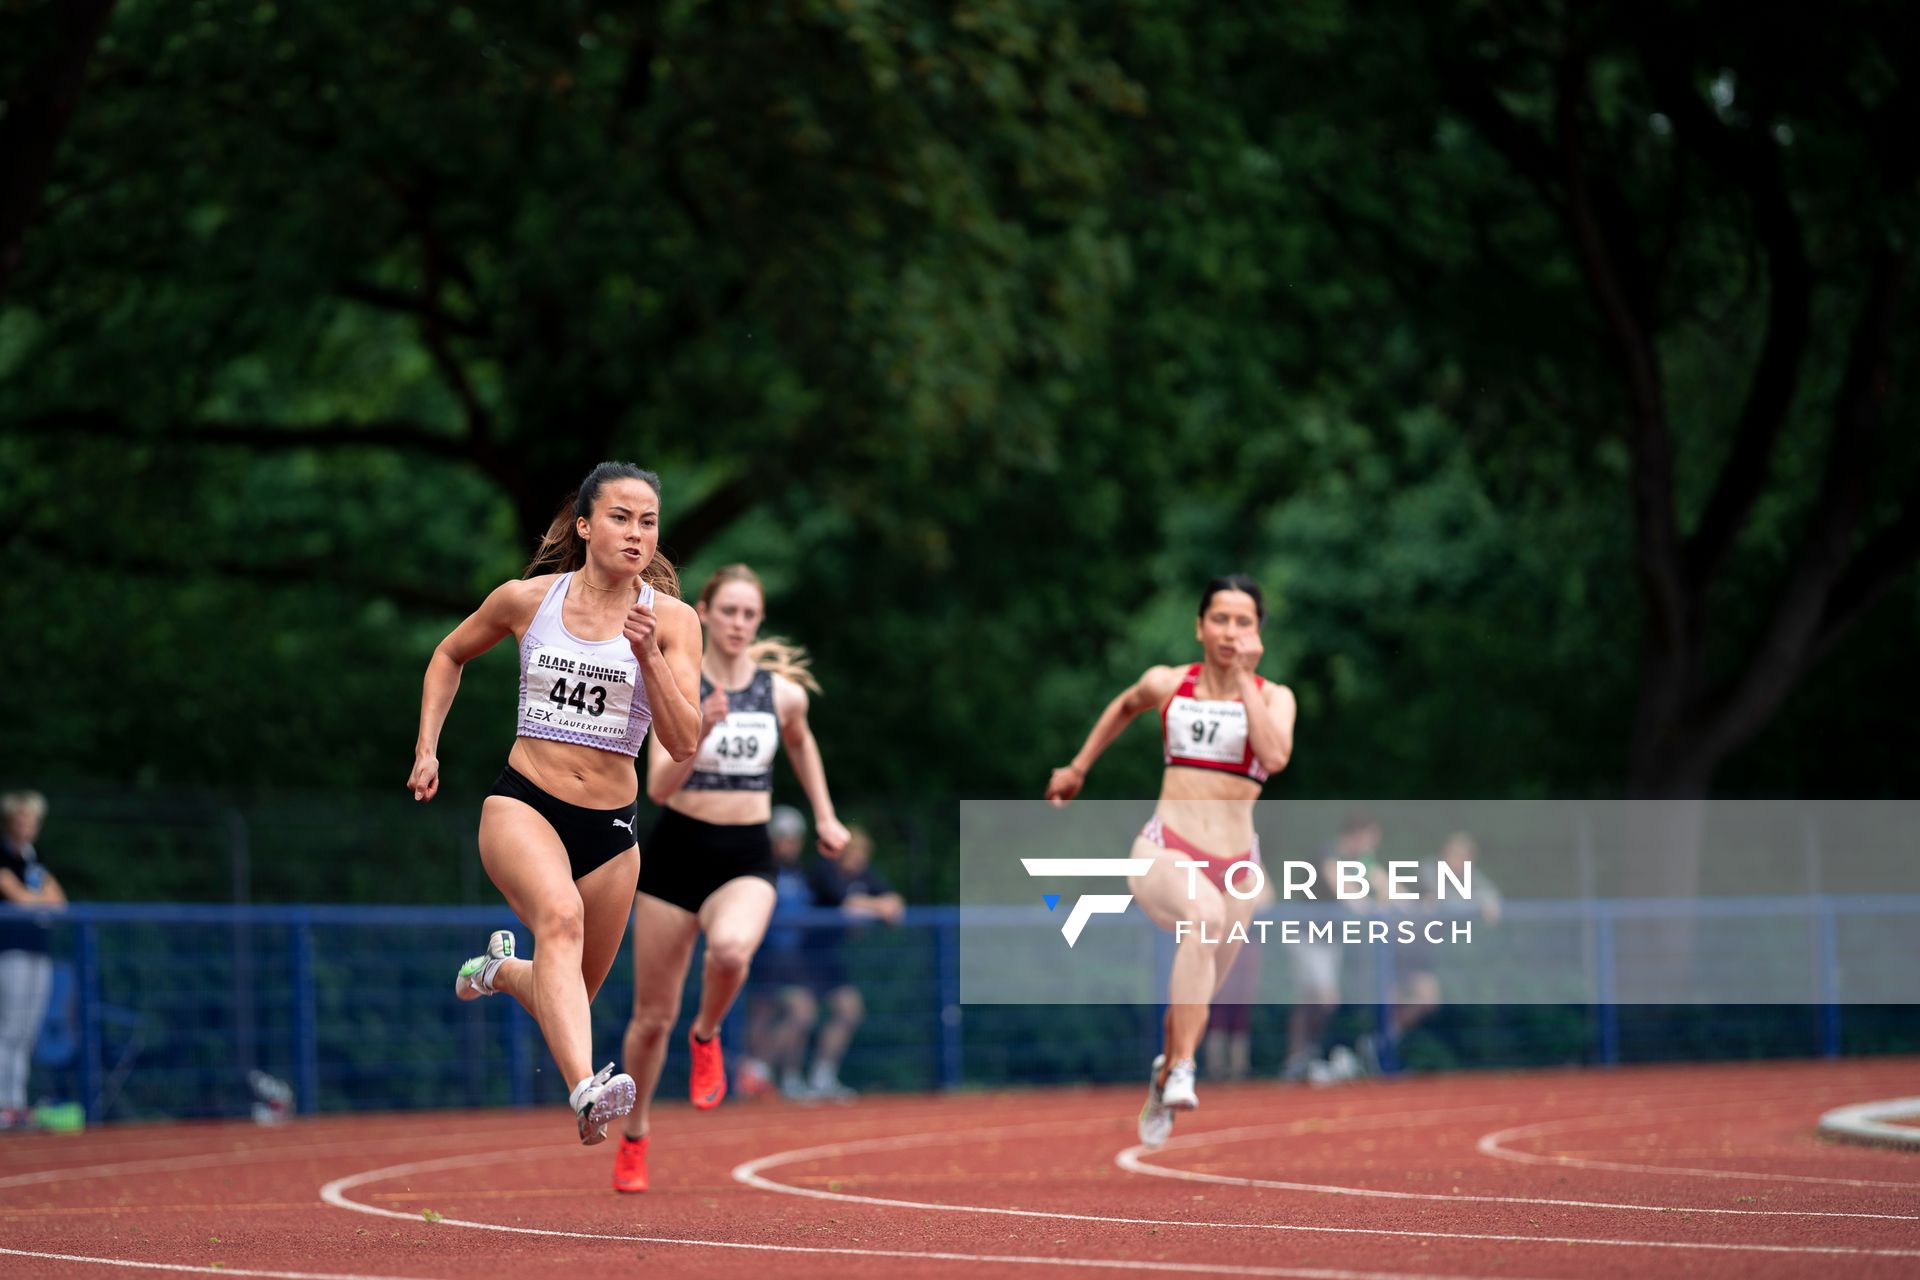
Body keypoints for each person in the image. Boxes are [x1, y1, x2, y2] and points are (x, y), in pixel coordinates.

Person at [409, 461, 702, 1146]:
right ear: (584, 524)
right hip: (524, 803)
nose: (636, 534)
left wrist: (650, 655)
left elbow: (684, 740)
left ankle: (499, 970)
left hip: (612, 831)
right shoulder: (527, 599)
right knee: (560, 919)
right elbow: (449, 655)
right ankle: (586, 1093)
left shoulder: (675, 622)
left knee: (567, 991)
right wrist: (428, 746)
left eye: (649, 522)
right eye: (621, 518)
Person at [613, 564, 848, 1193]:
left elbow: (801, 741)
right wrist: (705, 726)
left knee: (732, 949)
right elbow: (659, 788)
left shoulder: (781, 695)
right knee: (650, 1018)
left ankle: (709, 1033)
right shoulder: (675, 683)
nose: (739, 624)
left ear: (757, 621)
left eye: (750, 614)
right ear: (706, 614)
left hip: (746, 854)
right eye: (729, 612)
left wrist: (824, 816)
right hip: (674, 856)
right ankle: (634, 1135)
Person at [1045, 574, 1296, 1148]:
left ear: (1257, 633)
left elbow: (1275, 755)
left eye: (1244, 622)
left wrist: (1243, 682)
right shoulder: (1169, 683)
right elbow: (1125, 705)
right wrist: (1080, 766)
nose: (1230, 632)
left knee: (1196, 995)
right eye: (1220, 619)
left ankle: (1166, 1074)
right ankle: (1183, 1069)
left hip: (1238, 866)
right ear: (1200, 626)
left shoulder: (1275, 696)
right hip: (1166, 847)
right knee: (1201, 919)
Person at [1356, 831, 1501, 1075]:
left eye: (1466, 857)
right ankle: (1377, 1055)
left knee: (1427, 1000)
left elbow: (1491, 897)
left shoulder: (1468, 877)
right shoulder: (1428, 870)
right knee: (1390, 1001)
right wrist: (1478, 904)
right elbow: (1446, 902)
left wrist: (1484, 901)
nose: (1461, 861)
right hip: (1398, 945)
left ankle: (1379, 1044)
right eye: (1456, 854)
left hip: (1422, 951)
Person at [792, 824, 904, 1100]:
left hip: (830, 958)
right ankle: (788, 1079)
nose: (859, 861)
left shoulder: (863, 873)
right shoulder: (823, 870)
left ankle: (822, 1075)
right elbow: (847, 903)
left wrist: (886, 903)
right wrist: (878, 906)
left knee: (849, 1011)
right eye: (854, 854)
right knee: (801, 1016)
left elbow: (894, 899)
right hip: (802, 956)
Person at [1281, 812, 1382, 1083]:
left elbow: (1383, 883)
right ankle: (1298, 1058)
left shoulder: (1361, 860)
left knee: (1312, 1000)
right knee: (1323, 999)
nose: (1371, 847)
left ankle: (1301, 1057)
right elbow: (1343, 888)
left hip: (1329, 940)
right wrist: (1364, 903)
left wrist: (1409, 904)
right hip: (1307, 936)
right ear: (1357, 835)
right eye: (1369, 839)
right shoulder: (1329, 852)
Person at [0, 791, 65, 1130]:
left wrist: (37, 901)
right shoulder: (3, 854)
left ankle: (17, 1104)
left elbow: (60, 903)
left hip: (38, 952)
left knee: (27, 1032)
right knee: (8, 1028)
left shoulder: (35, 858)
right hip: (9, 951)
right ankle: (3, 1104)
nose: (27, 825)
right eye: (21, 818)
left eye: (32, 820)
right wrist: (39, 902)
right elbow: (20, 898)